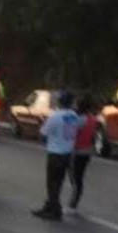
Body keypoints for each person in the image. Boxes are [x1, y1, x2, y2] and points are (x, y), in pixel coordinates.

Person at [32, 91, 80, 221]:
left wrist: (42, 126)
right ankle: (49, 205)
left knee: (51, 183)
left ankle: (54, 210)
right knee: (58, 182)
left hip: (55, 153)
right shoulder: (74, 116)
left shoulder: (55, 117)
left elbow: (43, 134)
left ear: (60, 102)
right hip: (67, 153)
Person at [67, 94, 95, 214]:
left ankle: (73, 205)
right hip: (87, 152)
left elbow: (70, 133)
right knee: (77, 177)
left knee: (75, 178)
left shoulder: (79, 120)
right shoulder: (92, 119)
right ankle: (73, 202)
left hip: (77, 152)